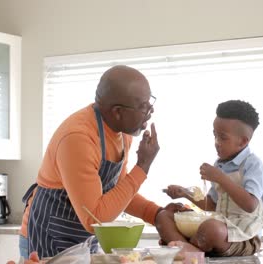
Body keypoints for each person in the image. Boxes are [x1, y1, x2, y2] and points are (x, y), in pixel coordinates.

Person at [18, 65, 185, 259]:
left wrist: (157, 214)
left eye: (150, 102)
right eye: (143, 106)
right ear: (117, 112)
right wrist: (143, 167)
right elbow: (95, 217)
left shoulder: (122, 134)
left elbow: (118, 193)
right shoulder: (78, 138)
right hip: (47, 239)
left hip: (84, 241)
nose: (150, 110)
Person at [157, 99, 263, 257]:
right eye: (215, 135)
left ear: (243, 141)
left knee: (211, 229)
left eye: (223, 138)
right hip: (217, 228)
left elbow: (250, 205)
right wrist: (185, 194)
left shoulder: (253, 165)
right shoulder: (220, 165)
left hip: (242, 236)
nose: (216, 142)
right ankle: (189, 250)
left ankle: (184, 249)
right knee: (164, 215)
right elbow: (210, 206)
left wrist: (221, 178)